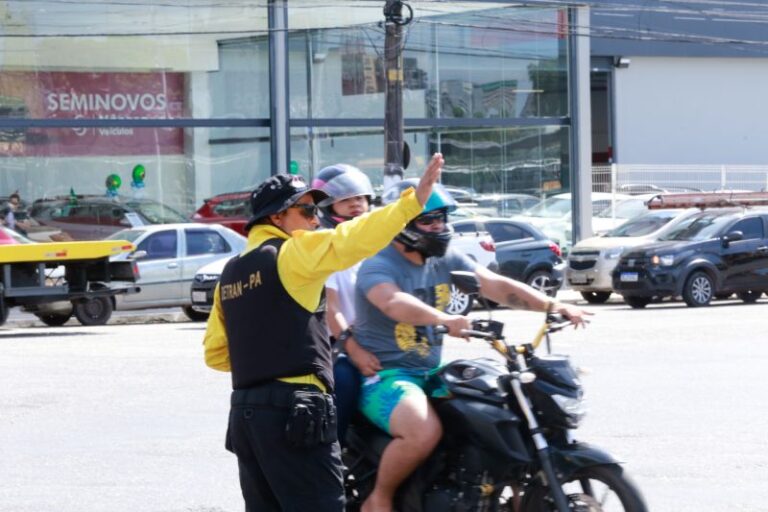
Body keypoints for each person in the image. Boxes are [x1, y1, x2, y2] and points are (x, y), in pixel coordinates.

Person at [203, 154, 445, 512]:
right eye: (306, 211)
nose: (315, 220)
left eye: (317, 212)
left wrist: (264, 360)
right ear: (276, 217)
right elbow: (351, 238)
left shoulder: (232, 272)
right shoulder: (292, 252)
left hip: (246, 414)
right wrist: (412, 204)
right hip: (297, 408)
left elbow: (216, 353)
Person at [354, 179, 592, 512]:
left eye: (442, 217)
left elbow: (492, 283)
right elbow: (392, 302)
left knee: (494, 408)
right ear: (401, 225)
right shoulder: (378, 264)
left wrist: (552, 306)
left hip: (430, 372)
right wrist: (443, 318)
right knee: (422, 431)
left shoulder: (443, 257)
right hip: (385, 376)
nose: (439, 226)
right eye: (429, 219)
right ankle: (379, 498)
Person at [311, 164, 383, 445]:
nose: (356, 204)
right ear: (329, 207)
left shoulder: (381, 245)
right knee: (344, 380)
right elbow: (332, 308)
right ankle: (332, 455)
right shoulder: (330, 247)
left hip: (387, 339)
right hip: (343, 343)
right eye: (346, 200)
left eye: (361, 198)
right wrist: (353, 349)